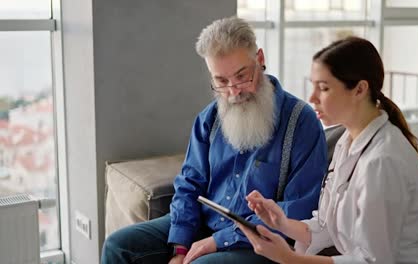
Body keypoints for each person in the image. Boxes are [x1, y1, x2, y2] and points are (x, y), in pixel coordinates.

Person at [101, 16, 327, 264]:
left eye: (242, 76)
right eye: (221, 81)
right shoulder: (209, 118)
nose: (233, 91)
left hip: (262, 242)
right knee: (119, 246)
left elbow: (298, 209)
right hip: (204, 223)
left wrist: (217, 242)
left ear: (260, 60)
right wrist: (179, 248)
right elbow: (189, 185)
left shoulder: (302, 122)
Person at [237, 36, 418, 264]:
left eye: (323, 88)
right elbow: (326, 227)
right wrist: (280, 222)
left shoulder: (382, 160)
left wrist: (290, 259)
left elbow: (374, 261)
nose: (312, 98)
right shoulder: (347, 142)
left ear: (359, 89)